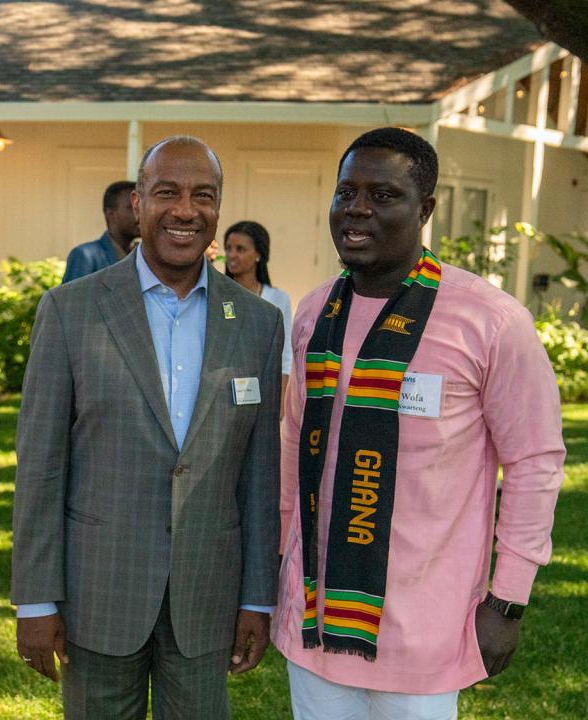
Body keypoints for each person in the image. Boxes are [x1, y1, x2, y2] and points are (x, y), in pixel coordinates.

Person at [274, 127, 565, 720]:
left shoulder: (490, 321)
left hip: (426, 630)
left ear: (425, 209)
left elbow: (535, 462)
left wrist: (508, 600)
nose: (357, 209)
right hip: (314, 618)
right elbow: (292, 445)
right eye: (346, 192)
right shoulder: (314, 312)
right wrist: (275, 566)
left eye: (383, 195)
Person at [12, 135, 284, 720]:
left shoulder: (258, 322)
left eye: (203, 195)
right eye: (167, 193)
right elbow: (41, 465)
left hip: (207, 593)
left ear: (219, 207)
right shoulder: (70, 310)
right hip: (99, 589)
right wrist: (35, 598)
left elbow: (261, 473)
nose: (186, 210)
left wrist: (258, 597)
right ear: (138, 203)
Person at [224, 220, 293, 390]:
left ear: (258, 254)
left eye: (240, 249)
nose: (232, 255)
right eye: (228, 248)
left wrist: (282, 397)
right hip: (222, 389)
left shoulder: (278, 299)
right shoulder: (219, 295)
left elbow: (285, 354)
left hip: (265, 388)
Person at [62, 179, 139, 283]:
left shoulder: (141, 256)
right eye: (132, 208)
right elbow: (71, 294)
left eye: (141, 207)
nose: (140, 214)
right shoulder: (86, 256)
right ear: (111, 214)